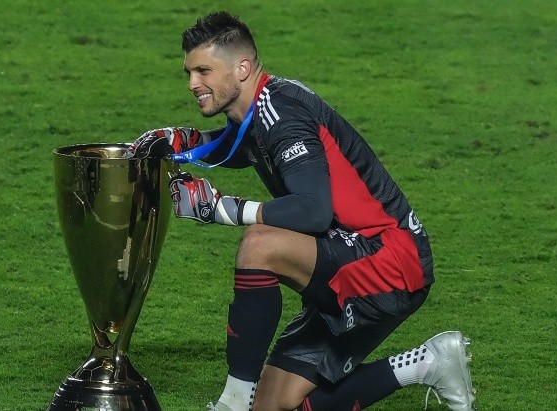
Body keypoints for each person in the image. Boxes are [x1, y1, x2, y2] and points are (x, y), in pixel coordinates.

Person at [125, 11, 476, 411]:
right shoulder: (265, 106)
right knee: (274, 406)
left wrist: (221, 209)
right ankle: (428, 365)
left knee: (260, 245)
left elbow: (313, 212)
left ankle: (234, 400)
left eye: (204, 70)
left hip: (390, 261)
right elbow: (248, 145)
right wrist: (185, 142)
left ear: (241, 68)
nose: (193, 84)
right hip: (352, 255)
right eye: (189, 72)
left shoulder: (283, 114)